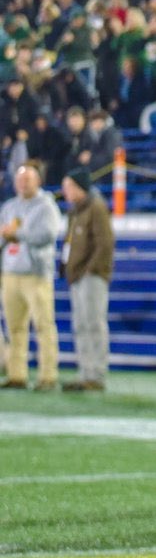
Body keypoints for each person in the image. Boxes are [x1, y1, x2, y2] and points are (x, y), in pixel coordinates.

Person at [0, 162, 63, 391]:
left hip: (36, 274)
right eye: (20, 179)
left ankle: (48, 376)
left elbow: (46, 235)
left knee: (43, 326)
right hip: (11, 272)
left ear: (38, 181)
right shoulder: (9, 206)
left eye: (27, 179)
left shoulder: (46, 206)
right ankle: (17, 374)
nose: (23, 183)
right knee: (14, 327)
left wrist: (16, 233)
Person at [60, 167, 115, 392]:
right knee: (80, 325)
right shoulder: (75, 211)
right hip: (77, 276)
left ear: (79, 187)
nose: (65, 192)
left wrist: (89, 270)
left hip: (91, 276)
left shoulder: (96, 208)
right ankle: (85, 371)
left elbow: (105, 244)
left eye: (69, 187)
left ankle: (96, 374)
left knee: (93, 324)